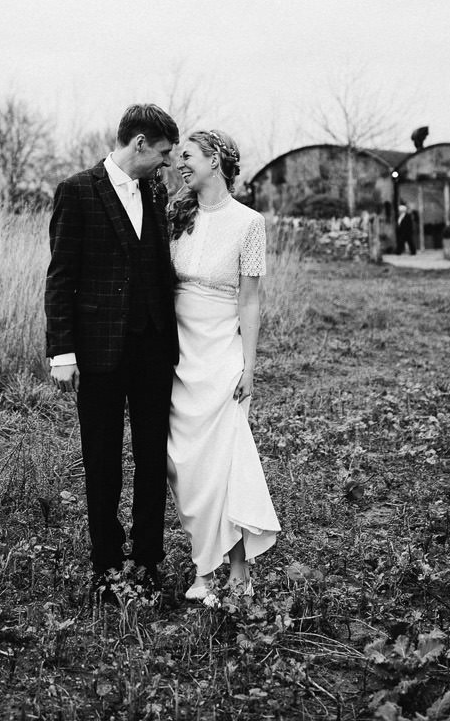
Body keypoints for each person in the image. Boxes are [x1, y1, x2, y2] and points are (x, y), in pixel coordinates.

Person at [45, 104, 180, 603]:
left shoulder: (156, 190)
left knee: (152, 458)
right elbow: (60, 277)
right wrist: (62, 352)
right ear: (139, 143)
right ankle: (105, 563)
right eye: (163, 154)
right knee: (101, 460)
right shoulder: (77, 191)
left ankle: (147, 558)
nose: (166, 164)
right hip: (98, 353)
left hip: (153, 349)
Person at [165, 129, 280, 601]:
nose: (179, 166)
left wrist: (248, 367)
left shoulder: (249, 223)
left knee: (225, 459)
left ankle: (226, 571)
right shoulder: (175, 215)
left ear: (215, 161)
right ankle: (206, 561)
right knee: (184, 463)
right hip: (176, 354)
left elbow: (250, 301)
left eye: (188, 157)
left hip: (221, 353)